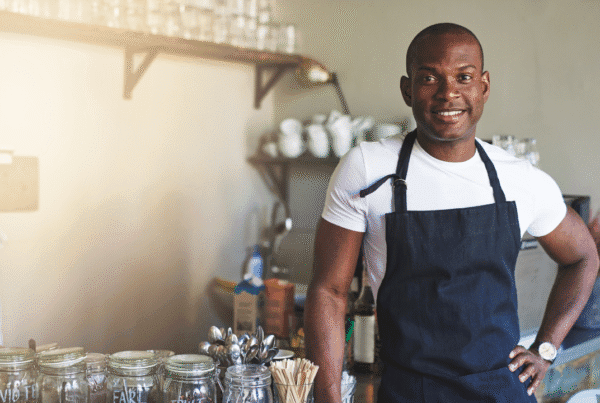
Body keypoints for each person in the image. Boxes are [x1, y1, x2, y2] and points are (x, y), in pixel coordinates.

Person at [304, 23, 600, 403]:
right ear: (407, 89)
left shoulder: (521, 179)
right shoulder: (366, 168)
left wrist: (545, 348)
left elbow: (583, 257)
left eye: (464, 77)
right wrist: (328, 398)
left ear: (484, 87)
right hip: (409, 392)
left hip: (501, 391)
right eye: (430, 78)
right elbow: (328, 292)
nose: (449, 93)